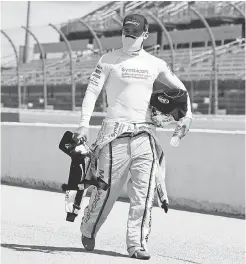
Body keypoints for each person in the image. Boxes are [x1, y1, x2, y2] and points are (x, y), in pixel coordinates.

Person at [73, 14, 192, 260]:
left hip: (145, 135)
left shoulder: (156, 64)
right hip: (114, 135)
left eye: (134, 32)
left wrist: (186, 117)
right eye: (126, 31)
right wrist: (84, 124)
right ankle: (88, 227)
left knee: (144, 193)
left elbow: (181, 91)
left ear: (145, 35)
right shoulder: (108, 60)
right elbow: (92, 92)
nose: (129, 36)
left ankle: (136, 244)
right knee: (105, 192)